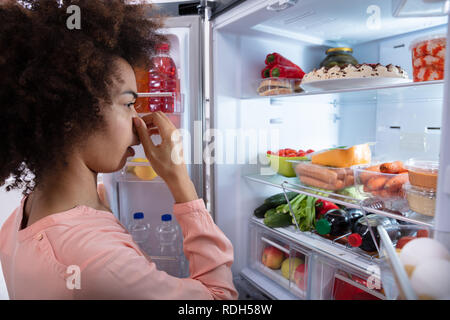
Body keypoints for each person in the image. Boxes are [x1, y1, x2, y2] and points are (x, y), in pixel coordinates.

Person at [0, 0, 237, 300]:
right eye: (128, 104)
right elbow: (219, 299)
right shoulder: (99, 264)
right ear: (71, 116)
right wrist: (181, 182)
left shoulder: (19, 219)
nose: (138, 120)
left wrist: (102, 212)